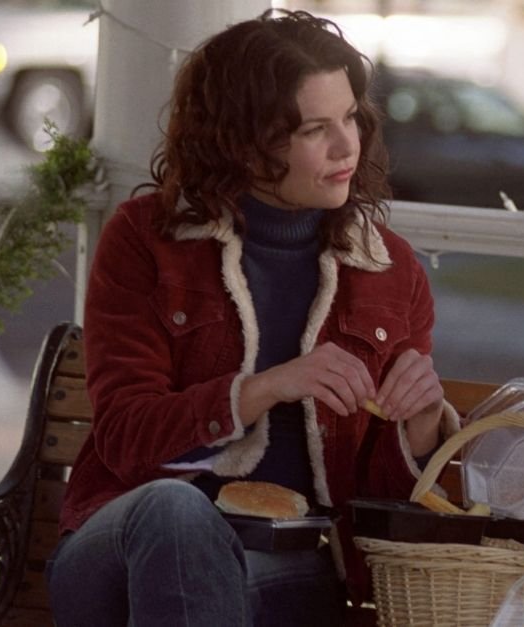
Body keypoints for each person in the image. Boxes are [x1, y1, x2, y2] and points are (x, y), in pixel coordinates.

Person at [45, 10, 458, 627]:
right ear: (243, 141)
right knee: (175, 512)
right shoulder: (145, 241)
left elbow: (380, 508)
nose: (347, 146)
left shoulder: (389, 270)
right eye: (314, 129)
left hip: (283, 570)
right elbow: (127, 440)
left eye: (350, 117)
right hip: (124, 551)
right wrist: (266, 388)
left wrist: (420, 430)